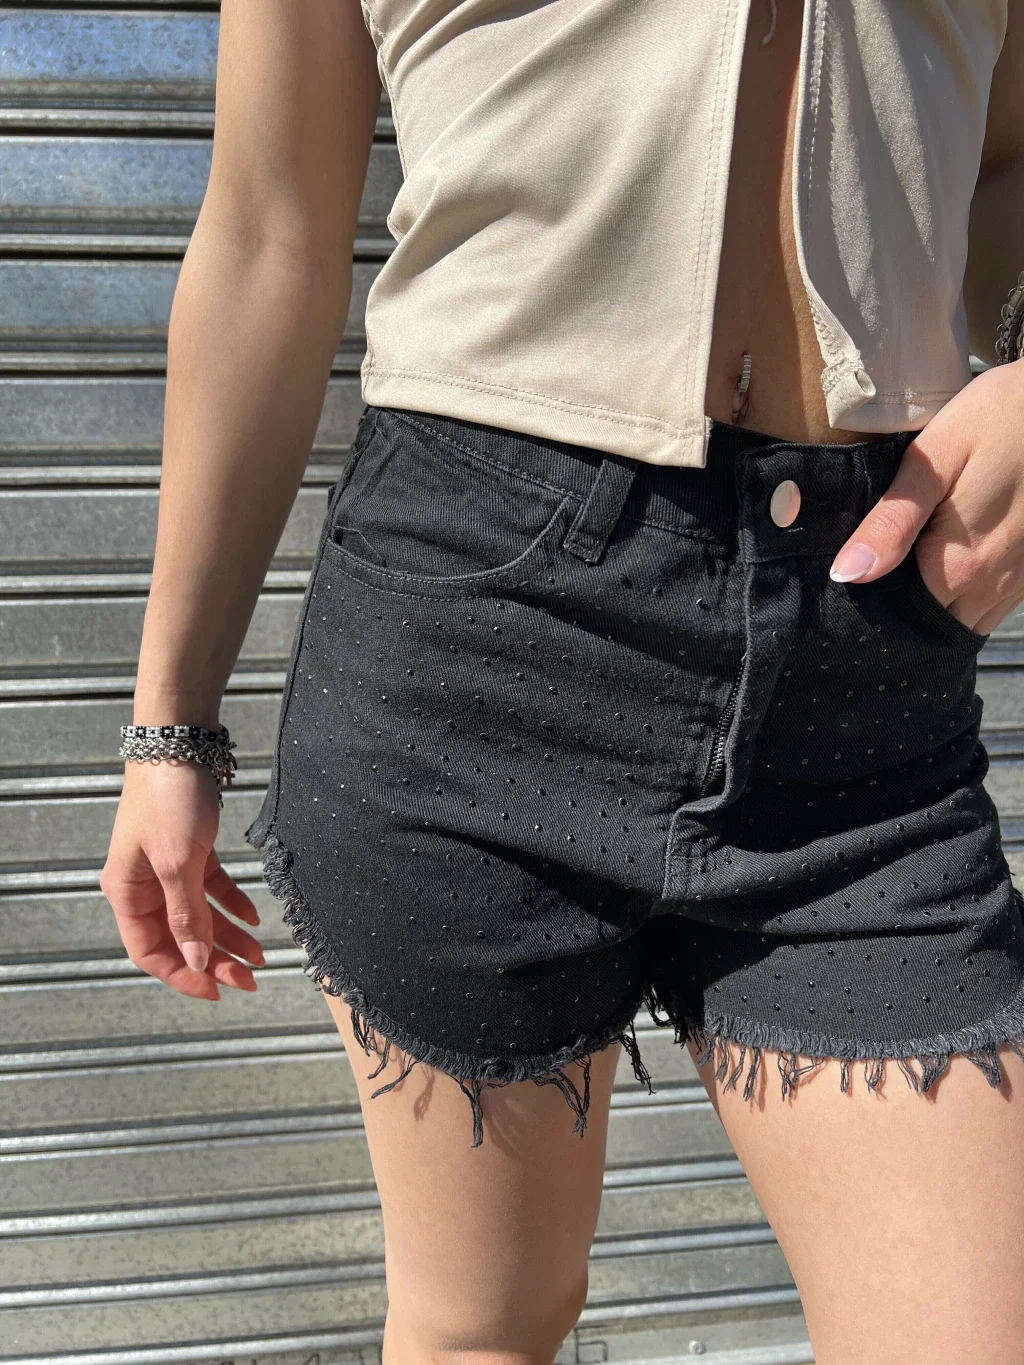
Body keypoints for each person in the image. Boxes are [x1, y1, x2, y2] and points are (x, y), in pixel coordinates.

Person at [101, 1, 1024, 1360]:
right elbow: (265, 229)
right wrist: (170, 731)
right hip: (470, 635)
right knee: (485, 1323)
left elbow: (1007, 154)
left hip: (858, 666)